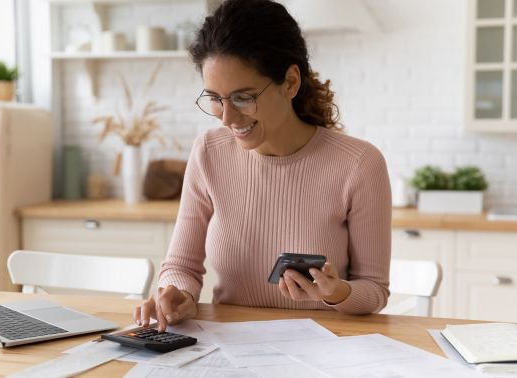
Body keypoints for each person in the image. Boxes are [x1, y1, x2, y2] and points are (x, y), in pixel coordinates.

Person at [135, 0, 391, 331]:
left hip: (323, 348)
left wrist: (337, 292)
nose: (227, 118)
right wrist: (178, 294)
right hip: (228, 347)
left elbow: (374, 290)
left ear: (290, 82)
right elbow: (182, 265)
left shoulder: (359, 164)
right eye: (215, 98)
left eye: (243, 97)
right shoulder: (209, 152)